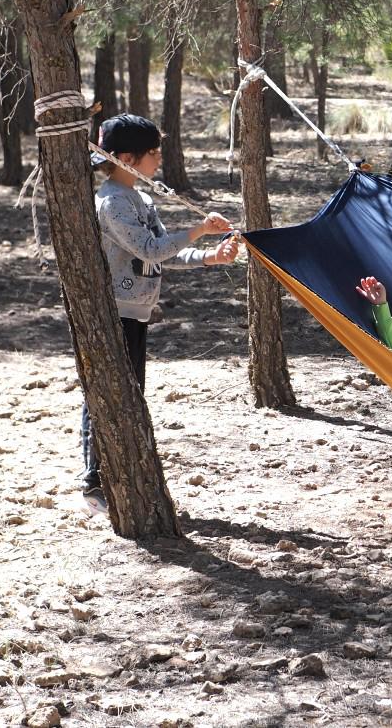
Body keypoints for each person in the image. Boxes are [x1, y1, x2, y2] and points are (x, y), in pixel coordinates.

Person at [80, 114, 239, 514]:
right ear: (126, 158)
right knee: (107, 395)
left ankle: (113, 476)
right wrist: (199, 230)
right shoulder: (112, 202)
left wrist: (209, 257)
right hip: (115, 314)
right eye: (152, 153)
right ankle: (92, 480)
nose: (158, 160)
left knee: (131, 395)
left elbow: (163, 249)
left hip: (137, 314)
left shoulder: (141, 199)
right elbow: (151, 250)